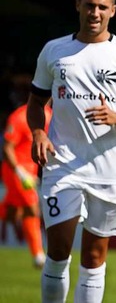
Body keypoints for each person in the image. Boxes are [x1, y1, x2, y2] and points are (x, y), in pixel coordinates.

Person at [27, 0, 116, 303]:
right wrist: (38, 131)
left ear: (113, 10)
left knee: (95, 259)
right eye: (90, 5)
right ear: (78, 5)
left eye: (102, 7)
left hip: (109, 168)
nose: (95, 12)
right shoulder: (54, 51)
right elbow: (36, 103)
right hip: (62, 164)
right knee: (57, 252)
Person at [2, 100, 52, 269]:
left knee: (12, 213)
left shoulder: (51, 115)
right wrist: (19, 172)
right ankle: (38, 255)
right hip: (15, 170)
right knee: (32, 208)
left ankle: (38, 254)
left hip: (30, 172)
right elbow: (7, 148)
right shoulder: (20, 116)